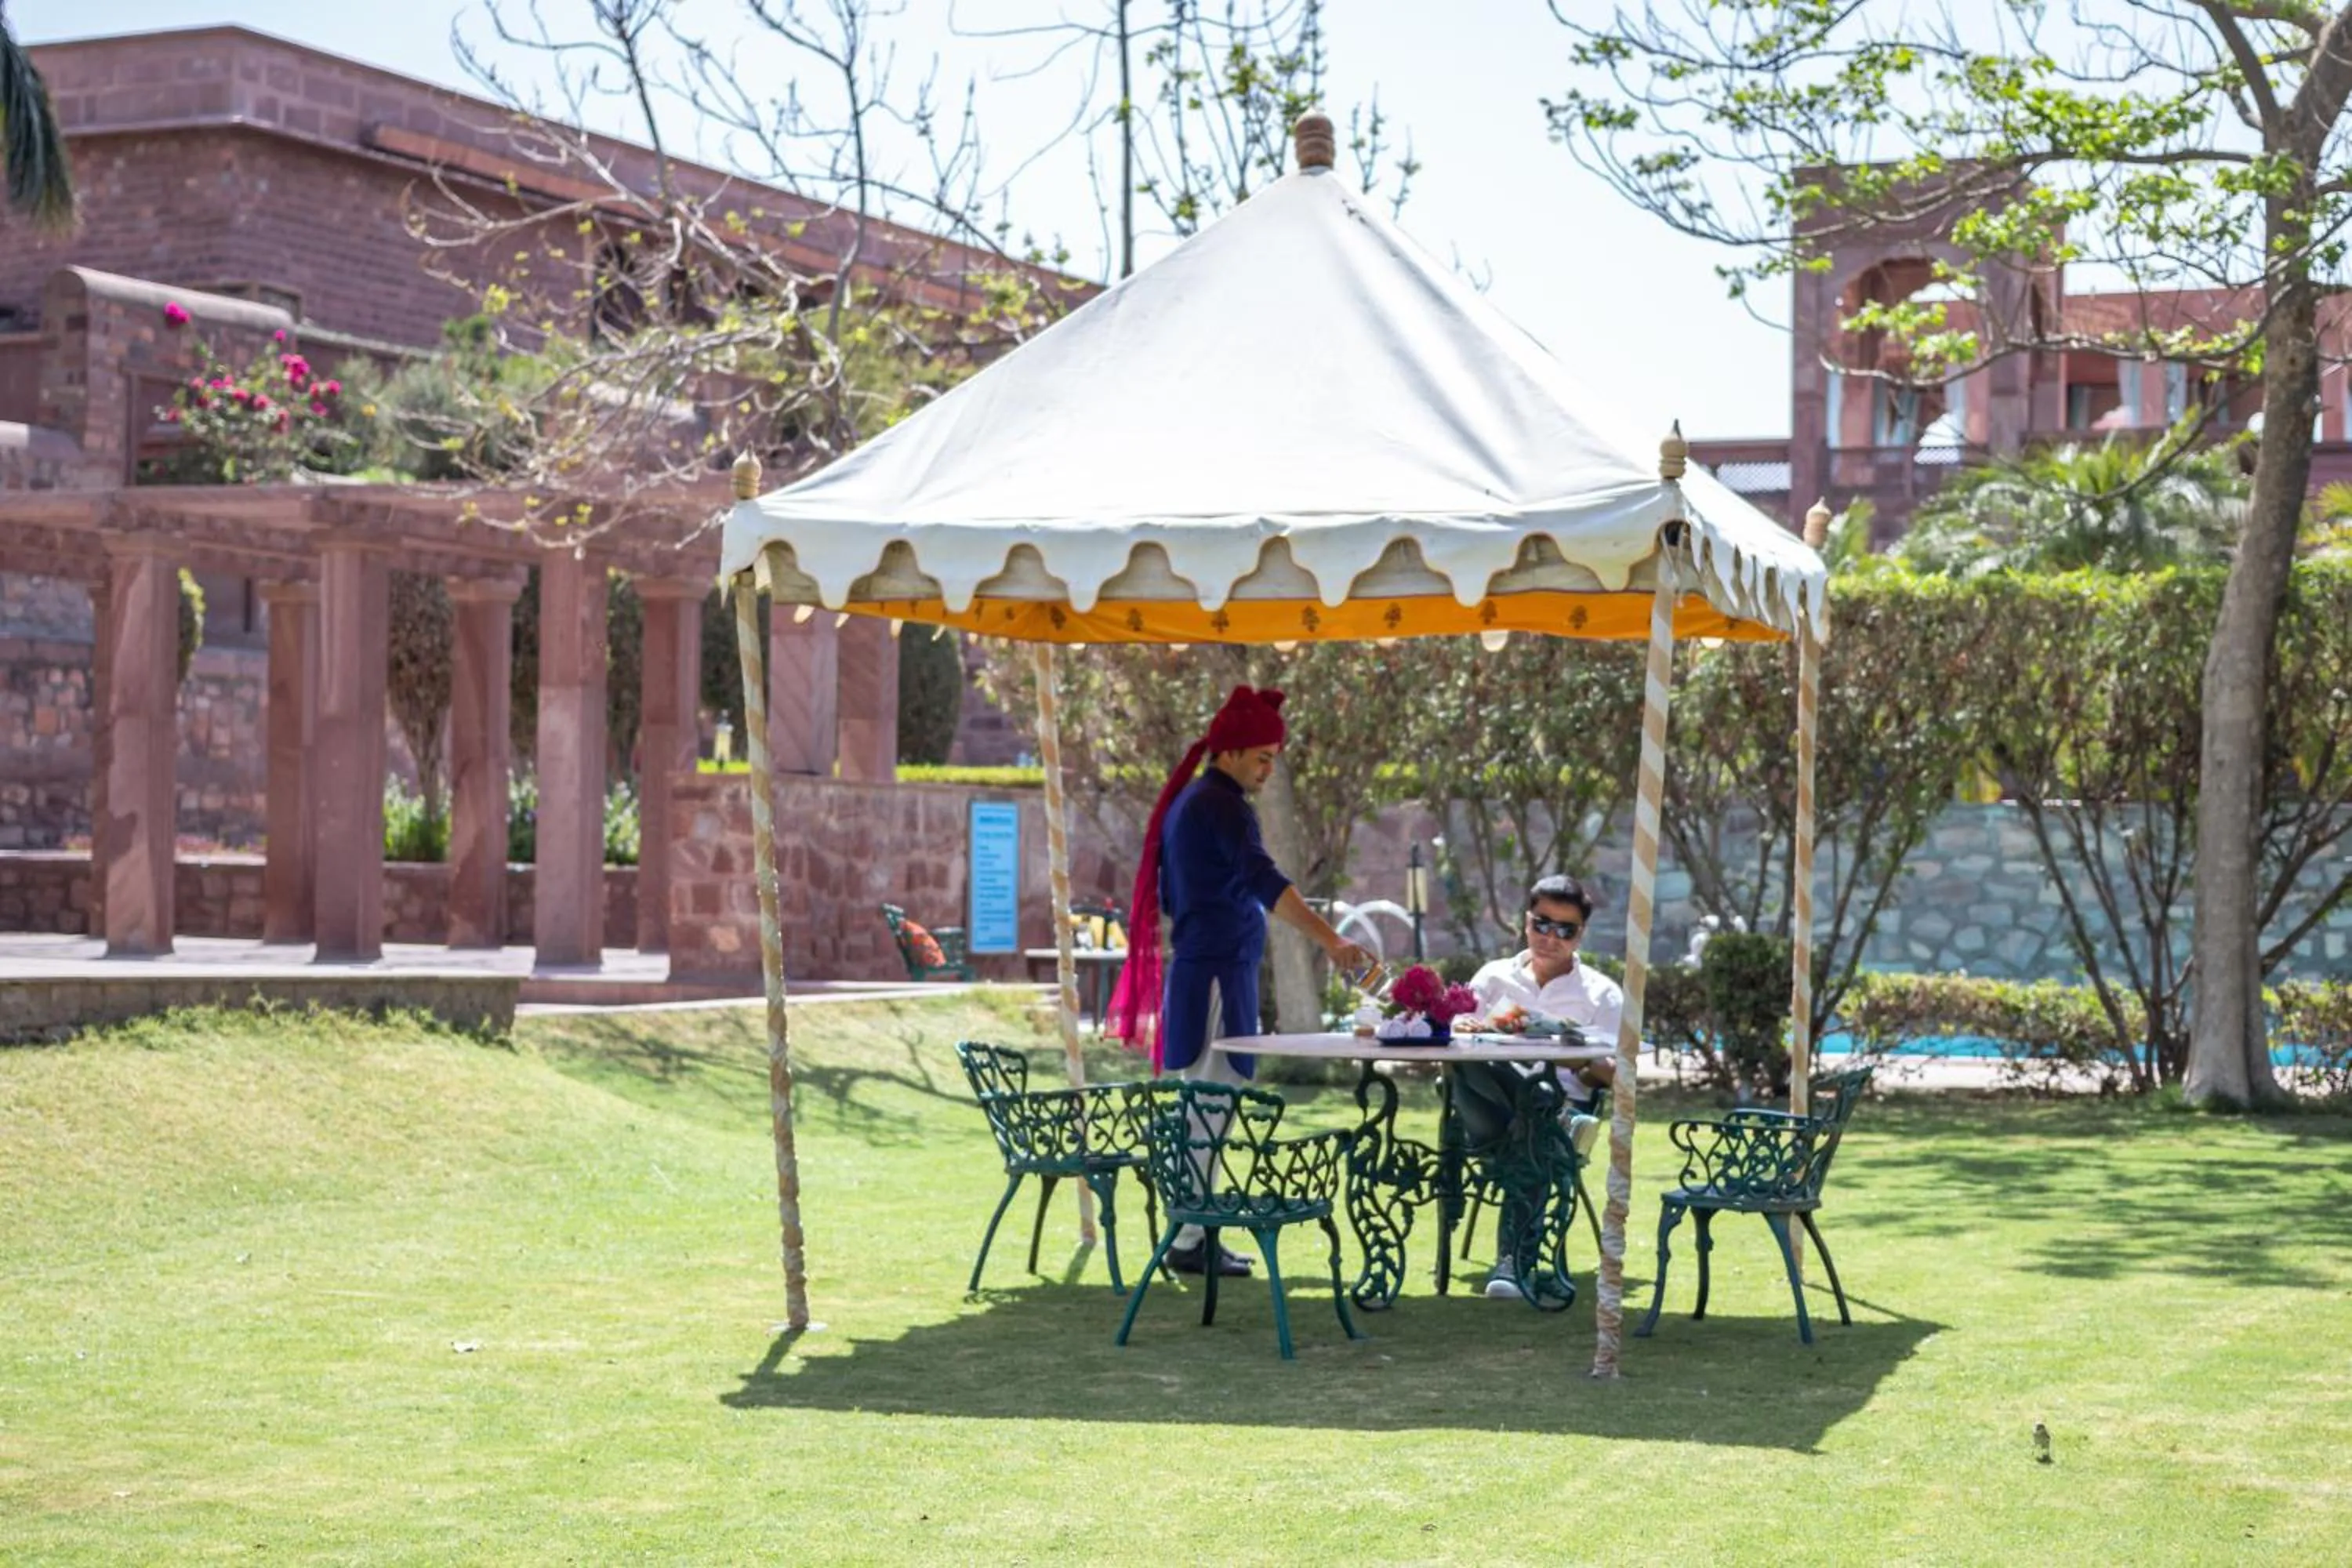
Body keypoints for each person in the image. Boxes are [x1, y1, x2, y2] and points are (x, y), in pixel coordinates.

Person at [1109, 684, 1373, 1277]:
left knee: (1207, 1105)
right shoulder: (1217, 804)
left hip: (1213, 970)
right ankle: (1189, 1240)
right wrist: (1331, 939)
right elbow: (1261, 879)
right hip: (1212, 976)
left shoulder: (1200, 801)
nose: (1267, 770)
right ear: (1228, 753)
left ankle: (1194, 1233)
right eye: (1262, 757)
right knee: (1208, 1103)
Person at [1450, 873, 1624, 1300]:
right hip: (1487, 1106)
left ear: (1581, 935)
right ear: (1525, 923)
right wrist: (1460, 1025)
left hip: (1558, 1103)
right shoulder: (1493, 978)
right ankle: (1515, 1260)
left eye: (1565, 930)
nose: (1550, 937)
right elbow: (1452, 1029)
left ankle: (1512, 1261)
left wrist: (1579, 1056)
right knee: (1462, 1062)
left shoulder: (1602, 995)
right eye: (1542, 923)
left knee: (1534, 1117)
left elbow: (1621, 1073)